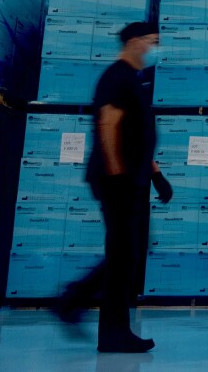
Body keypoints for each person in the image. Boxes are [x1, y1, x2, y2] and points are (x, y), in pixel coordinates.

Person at [54, 21, 174, 354]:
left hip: (131, 178)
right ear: (135, 42)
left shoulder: (134, 80)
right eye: (153, 42)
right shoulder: (117, 75)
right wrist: (117, 171)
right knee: (124, 254)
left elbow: (137, 135)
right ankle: (110, 330)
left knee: (127, 252)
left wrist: (156, 174)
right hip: (117, 180)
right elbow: (109, 123)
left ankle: (74, 302)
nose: (155, 49)